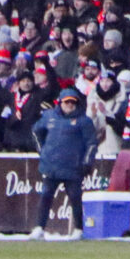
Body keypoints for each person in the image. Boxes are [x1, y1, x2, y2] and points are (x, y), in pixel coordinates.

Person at [32, 87, 95, 240]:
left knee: (75, 198)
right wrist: (42, 151)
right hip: (51, 166)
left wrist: (87, 162)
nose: (69, 105)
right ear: (60, 103)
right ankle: (39, 228)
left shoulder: (84, 121)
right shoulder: (49, 116)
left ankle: (79, 229)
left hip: (72, 167)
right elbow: (35, 131)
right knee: (46, 196)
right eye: (67, 102)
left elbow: (91, 143)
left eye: (72, 102)